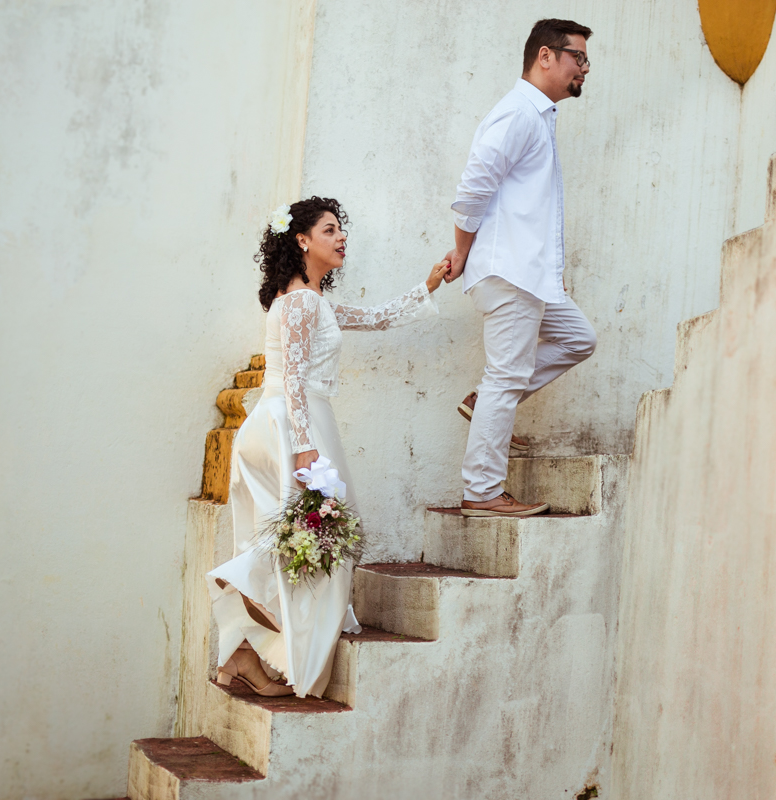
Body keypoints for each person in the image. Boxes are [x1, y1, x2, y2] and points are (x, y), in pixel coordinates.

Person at [207, 197, 450, 698]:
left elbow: (377, 317)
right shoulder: (298, 302)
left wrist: (428, 285)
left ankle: (244, 655)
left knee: (309, 541)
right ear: (302, 240)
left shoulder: (311, 300)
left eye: (342, 230)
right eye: (330, 229)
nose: (341, 238)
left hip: (292, 421)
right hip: (291, 424)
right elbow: (293, 377)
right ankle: (250, 611)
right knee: (317, 541)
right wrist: (303, 447)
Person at [443, 19, 598, 518]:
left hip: (530, 274)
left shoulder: (540, 116)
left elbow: (527, 206)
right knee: (506, 377)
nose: (585, 68)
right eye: (579, 56)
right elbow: (473, 189)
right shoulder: (518, 113)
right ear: (547, 56)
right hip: (507, 272)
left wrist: (551, 271)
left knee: (579, 338)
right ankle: (483, 491)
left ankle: (482, 400)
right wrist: (462, 251)